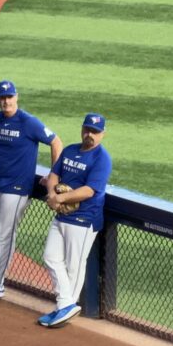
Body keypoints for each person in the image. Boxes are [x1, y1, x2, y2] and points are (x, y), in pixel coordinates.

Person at [0, 79, 62, 302]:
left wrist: (53, 175)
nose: (6, 101)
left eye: (9, 97)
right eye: (2, 97)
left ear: (17, 97)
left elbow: (56, 141)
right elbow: (4, 147)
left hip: (17, 188)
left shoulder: (29, 122)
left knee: (5, 237)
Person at [39, 113, 113, 328]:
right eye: (87, 129)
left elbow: (89, 191)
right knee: (50, 257)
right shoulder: (70, 150)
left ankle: (64, 309)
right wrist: (52, 193)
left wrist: (59, 198)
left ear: (102, 135)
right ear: (82, 129)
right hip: (62, 215)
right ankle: (67, 305)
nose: (90, 134)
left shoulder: (102, 159)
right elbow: (54, 174)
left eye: (95, 132)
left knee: (74, 266)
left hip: (83, 219)